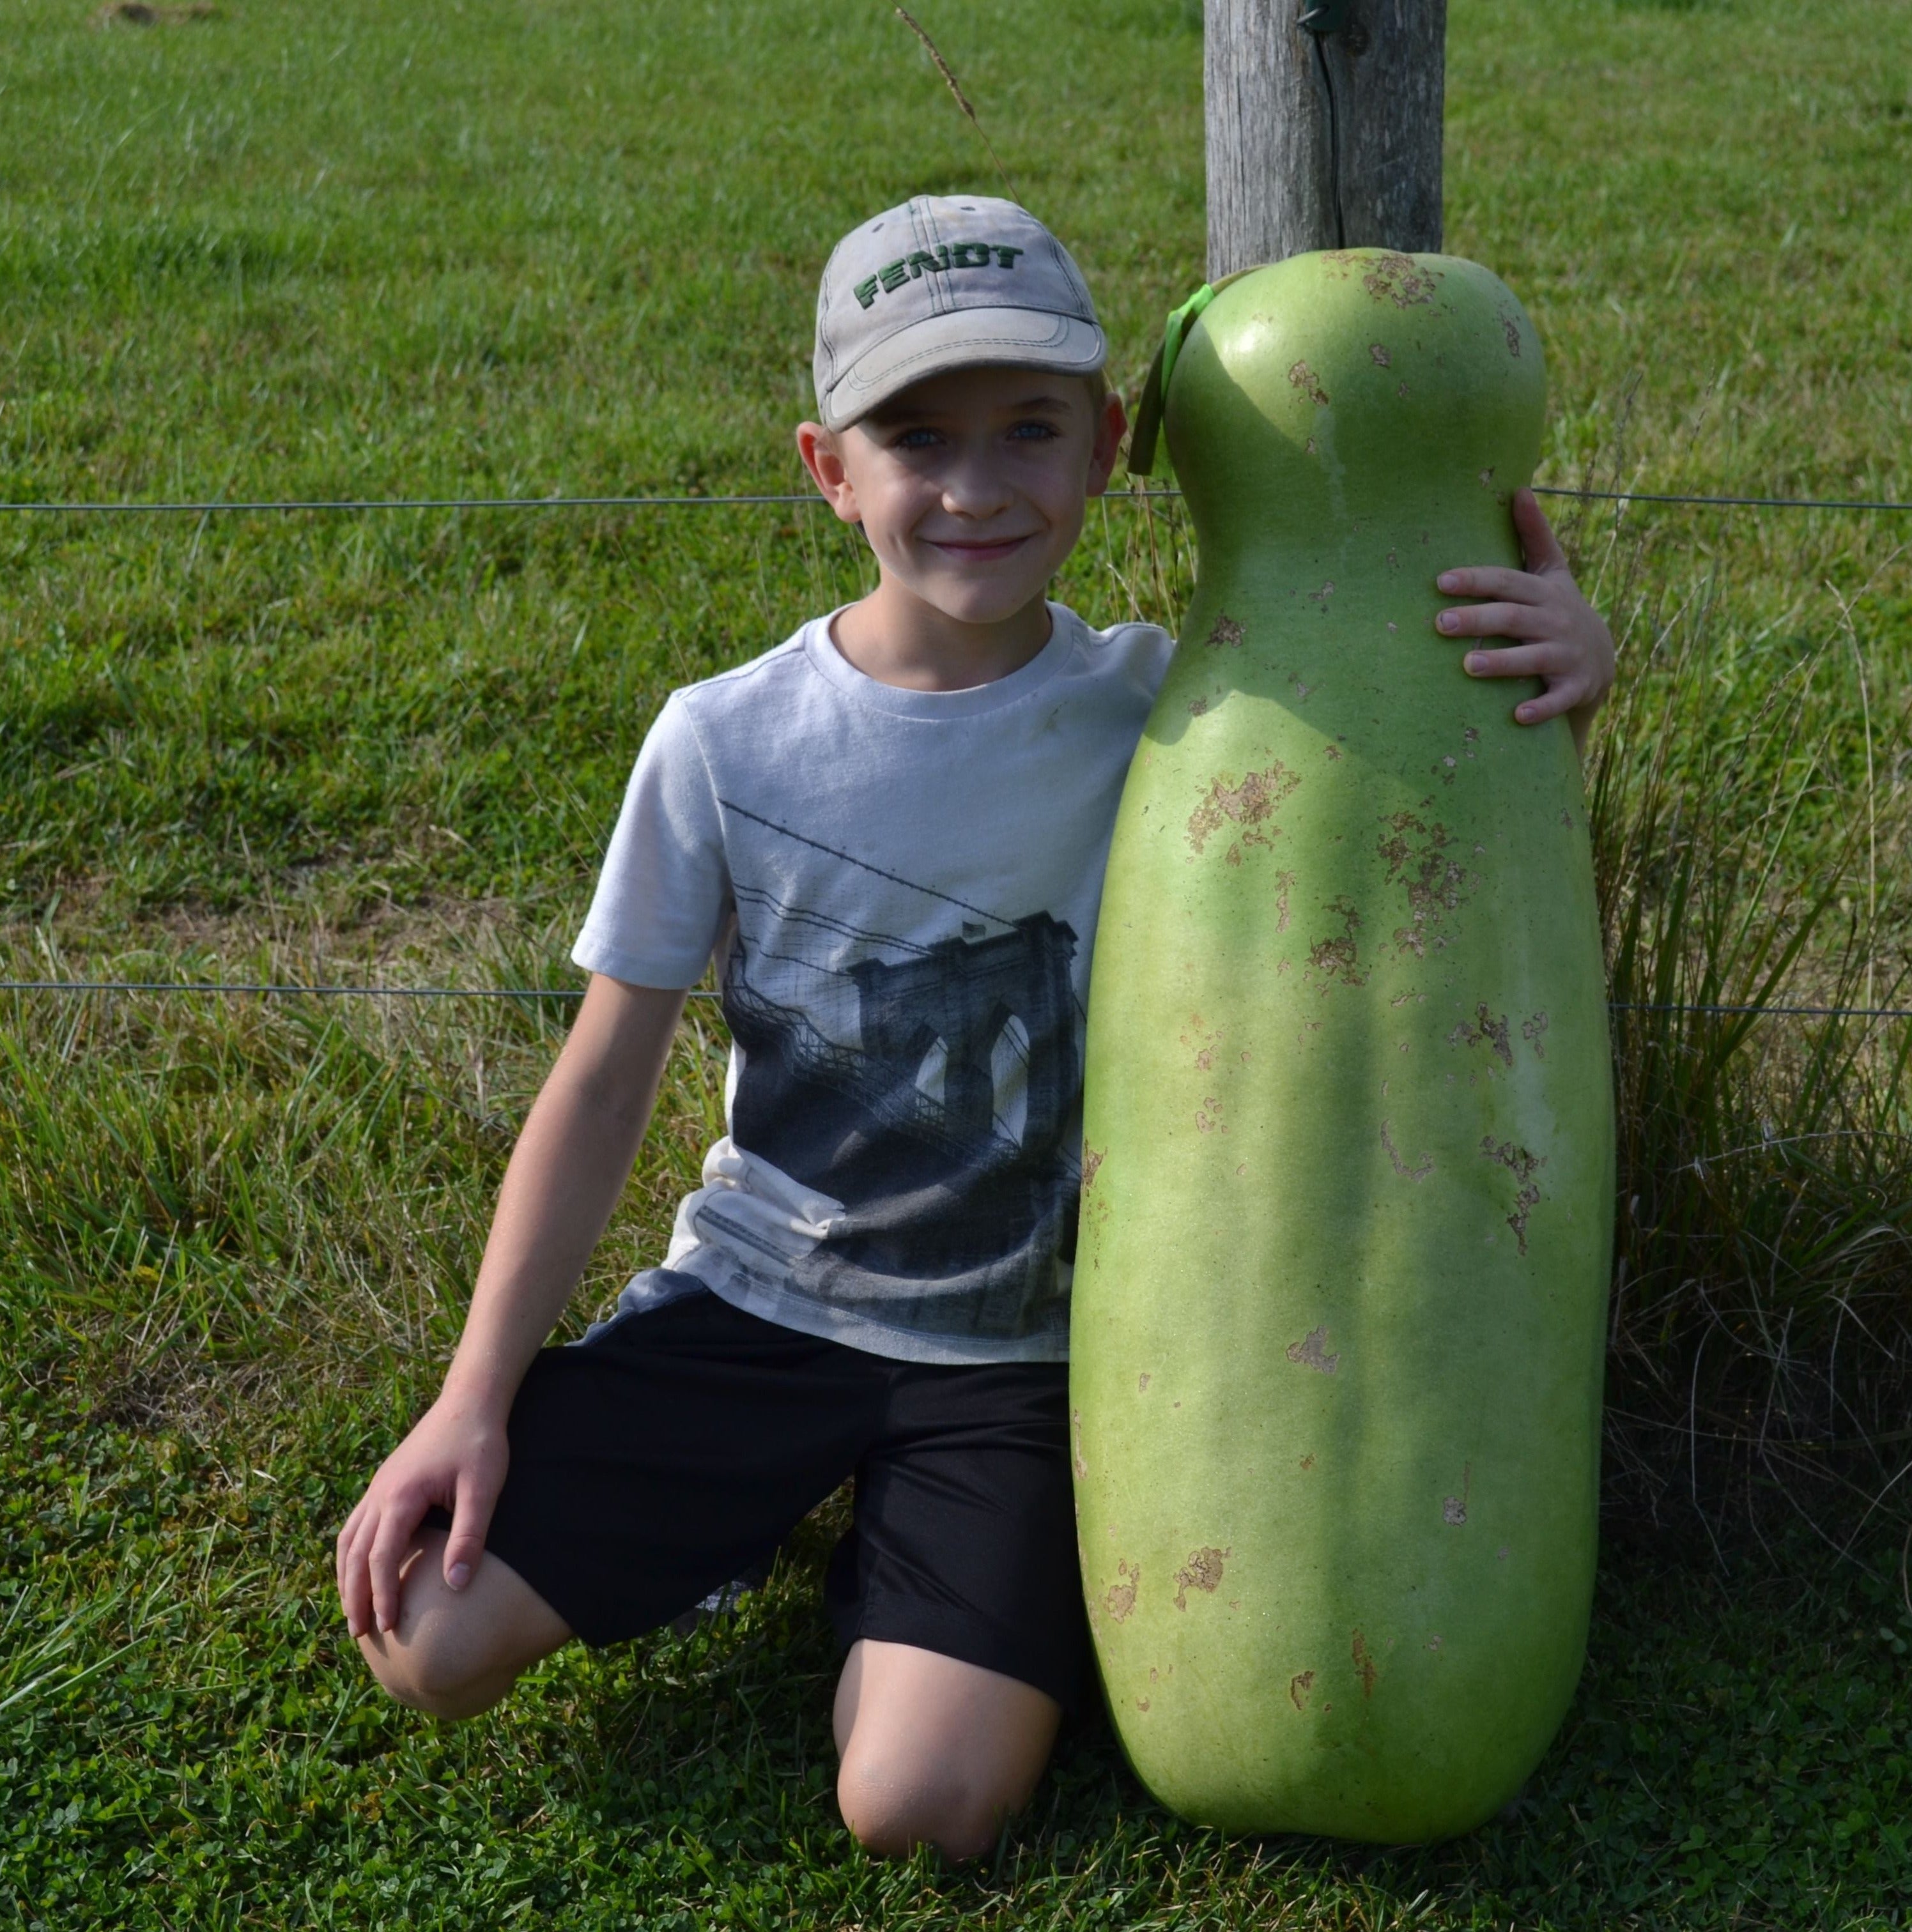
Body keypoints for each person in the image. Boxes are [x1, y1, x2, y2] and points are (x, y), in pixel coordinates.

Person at [334, 195, 1616, 1860]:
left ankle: (910, 1555)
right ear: (828, 465)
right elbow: (599, 1083)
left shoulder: (1197, 714)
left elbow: (1408, 881)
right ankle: (787, 1512)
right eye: (916, 435)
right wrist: (473, 1397)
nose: (976, 485)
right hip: (760, 1308)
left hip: (1021, 1367)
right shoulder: (726, 742)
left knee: (919, 1808)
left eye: (1029, 431)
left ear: (1106, 448)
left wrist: (1568, 669)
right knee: (424, 1649)